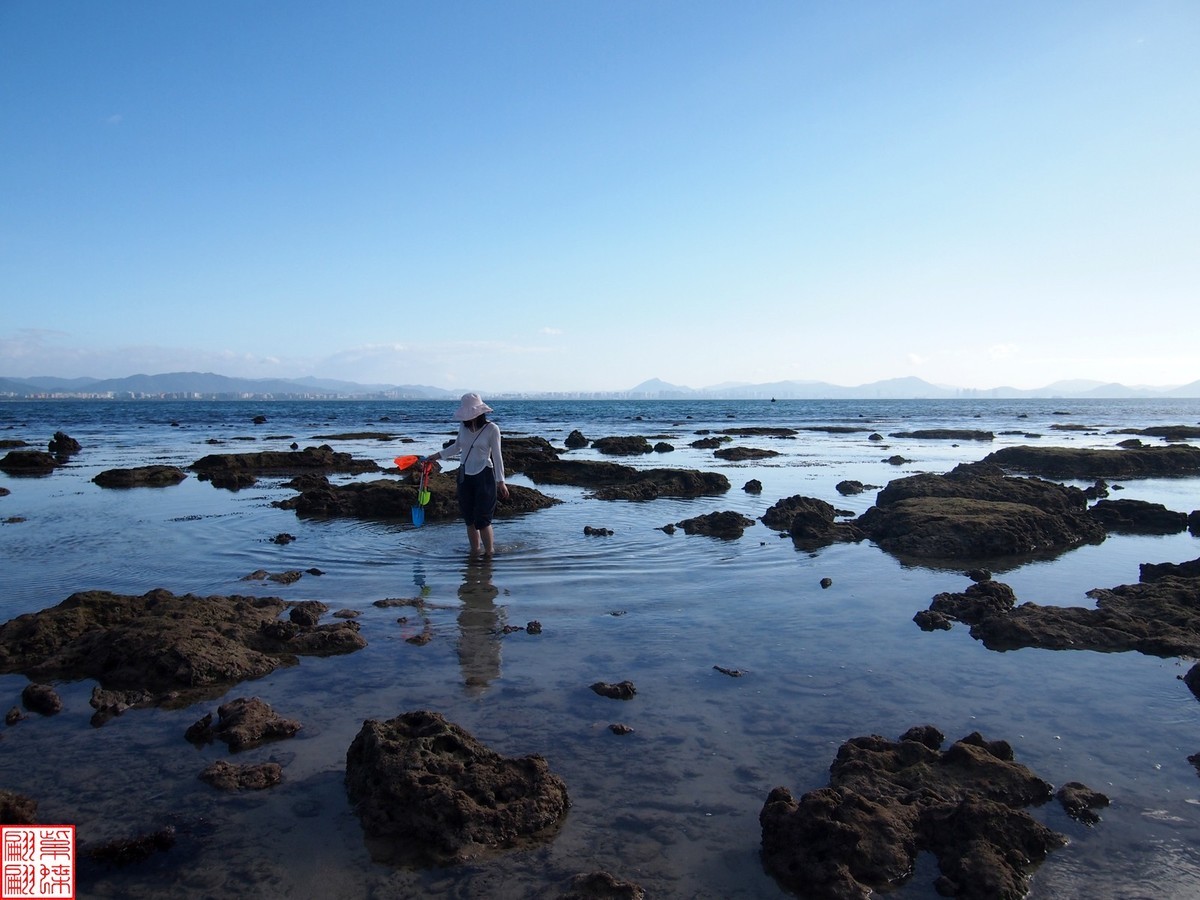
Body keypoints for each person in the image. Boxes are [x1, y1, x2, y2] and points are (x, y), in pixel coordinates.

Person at [424, 392, 510, 555]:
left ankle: (489, 554)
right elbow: (457, 447)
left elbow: (497, 456)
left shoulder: (492, 429)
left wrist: (501, 481)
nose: (467, 418)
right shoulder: (463, 428)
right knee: (469, 519)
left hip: (484, 475)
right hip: (464, 477)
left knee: (483, 520)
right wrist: (436, 456)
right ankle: (474, 553)